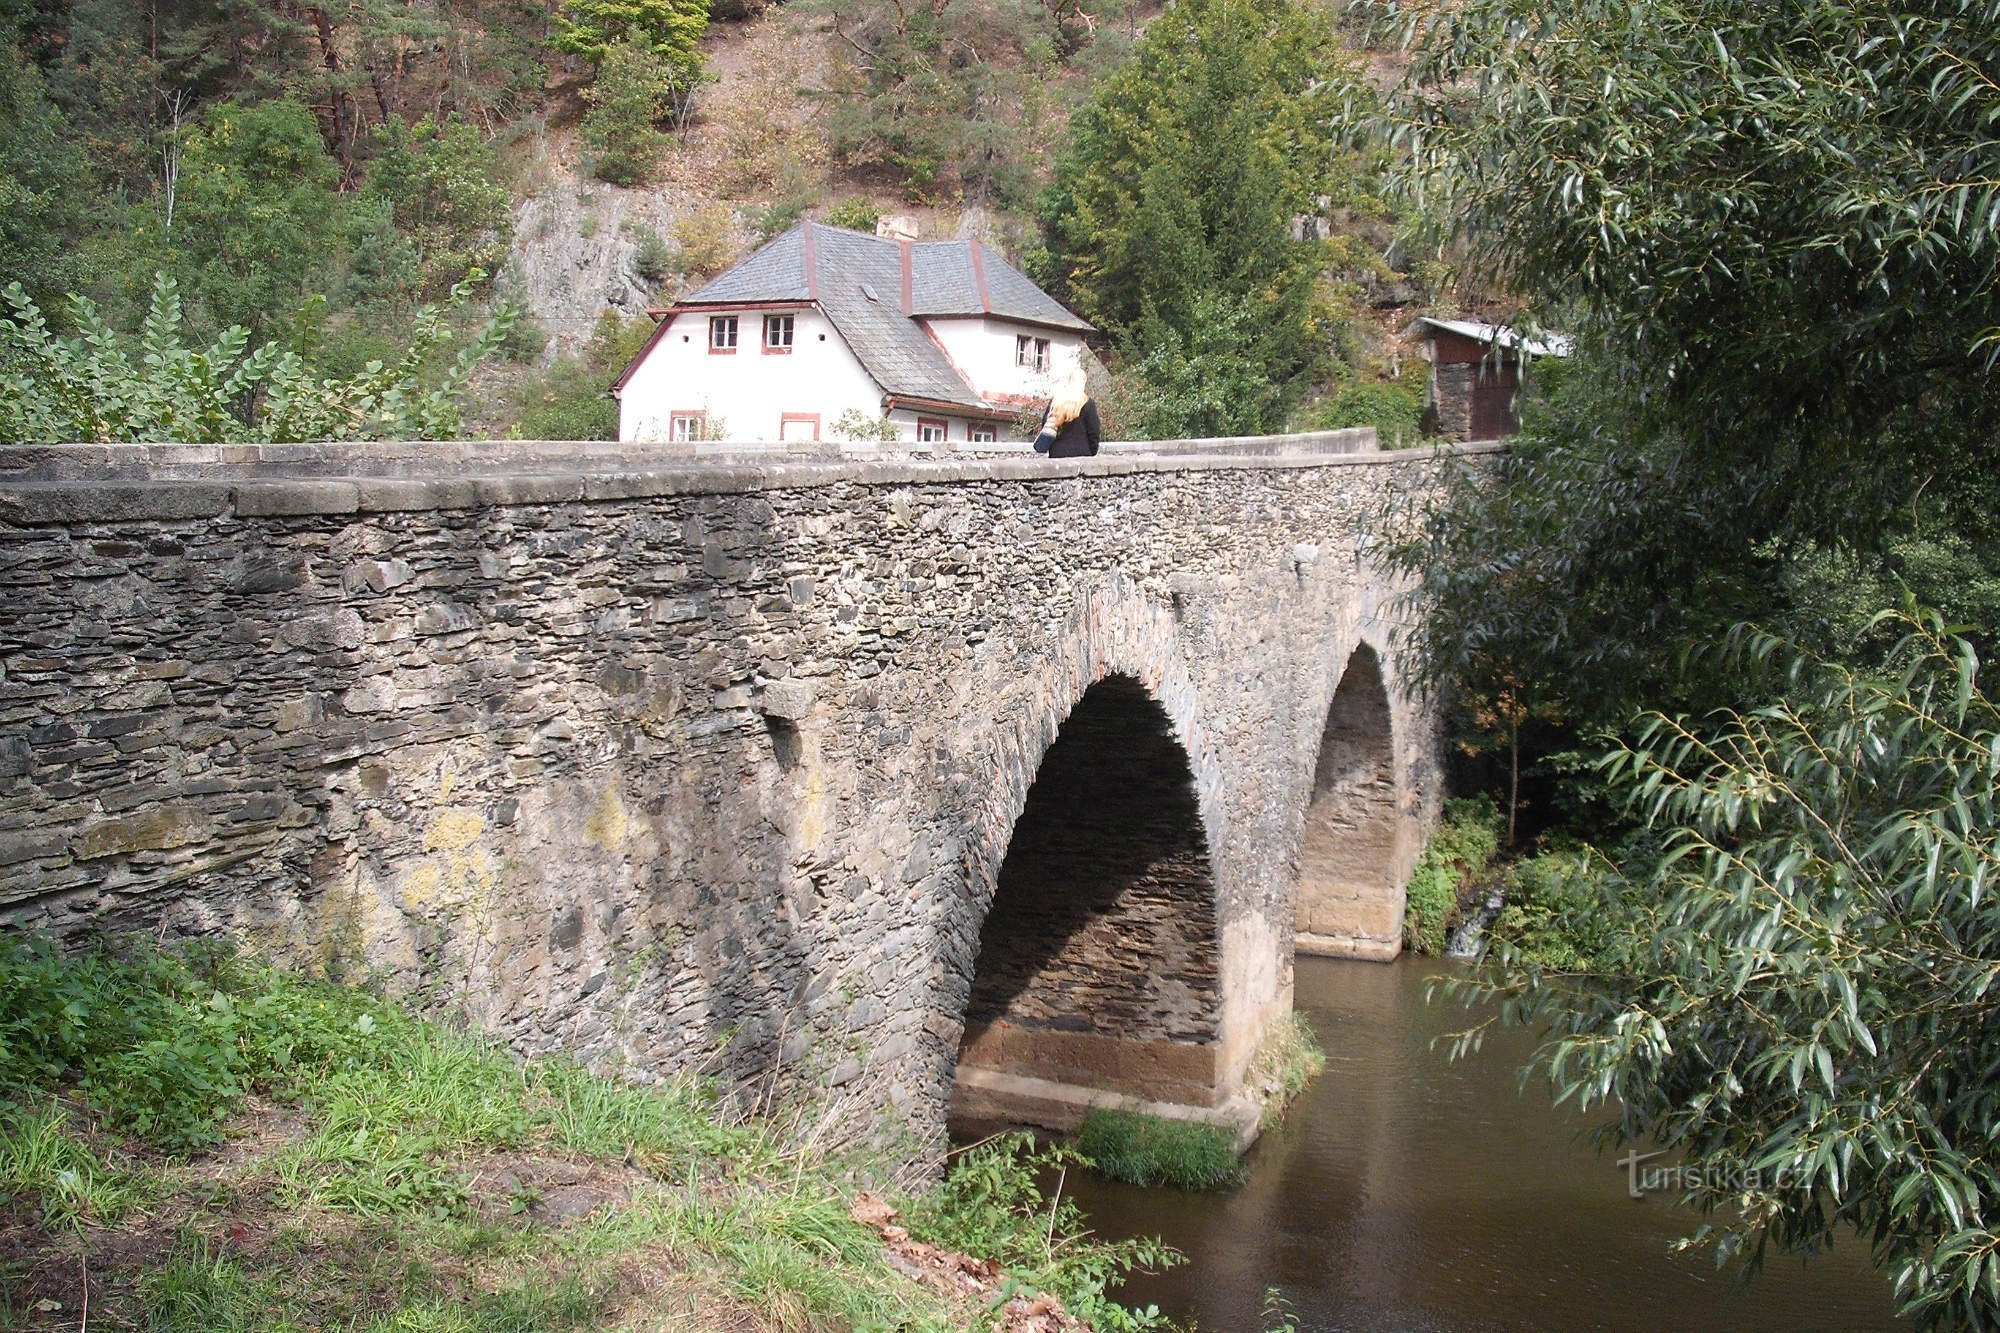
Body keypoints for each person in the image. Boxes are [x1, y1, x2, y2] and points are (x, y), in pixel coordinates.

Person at [1032, 365, 1101, 458]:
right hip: (1082, 453)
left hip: (1057, 453)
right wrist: (1092, 451)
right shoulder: (1087, 403)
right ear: (1083, 383)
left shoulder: (1056, 402)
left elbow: (1045, 423)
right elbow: (1093, 431)